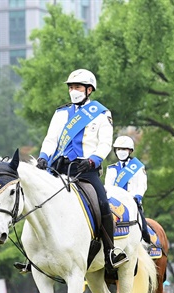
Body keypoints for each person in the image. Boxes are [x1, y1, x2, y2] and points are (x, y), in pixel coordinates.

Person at [32, 68, 128, 272]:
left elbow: (105, 144)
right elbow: (51, 139)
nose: (73, 91)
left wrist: (93, 160)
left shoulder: (101, 114)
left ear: (89, 90)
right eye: (71, 87)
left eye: (77, 87)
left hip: (86, 170)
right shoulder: (60, 113)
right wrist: (43, 157)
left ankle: (111, 250)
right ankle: (35, 253)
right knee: (37, 201)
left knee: (102, 203)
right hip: (60, 168)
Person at [104, 135, 151, 243]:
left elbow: (142, 184)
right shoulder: (111, 168)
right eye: (119, 149)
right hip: (117, 204)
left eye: (124, 149)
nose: (121, 151)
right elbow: (108, 187)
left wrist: (138, 197)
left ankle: (145, 239)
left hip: (133, 202)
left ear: (130, 150)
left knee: (143, 227)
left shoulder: (138, 167)